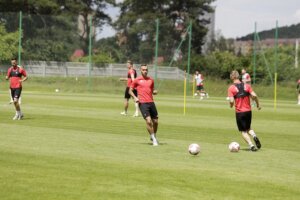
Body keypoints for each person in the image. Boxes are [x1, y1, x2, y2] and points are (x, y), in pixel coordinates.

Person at [227, 70, 261, 151]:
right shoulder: (247, 86)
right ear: (238, 76)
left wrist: (231, 105)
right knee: (248, 127)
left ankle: (251, 145)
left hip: (240, 112)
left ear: (231, 77)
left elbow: (231, 101)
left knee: (243, 131)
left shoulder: (231, 88)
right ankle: (254, 136)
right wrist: (258, 105)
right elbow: (254, 95)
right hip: (248, 111)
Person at [129, 64, 159, 146]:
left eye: (146, 69)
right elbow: (130, 91)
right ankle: (154, 139)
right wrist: (135, 98)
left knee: (155, 122)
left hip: (151, 102)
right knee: (148, 121)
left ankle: (154, 136)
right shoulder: (137, 80)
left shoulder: (151, 80)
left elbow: (152, 90)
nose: (145, 71)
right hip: (142, 103)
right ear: (140, 70)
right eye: (143, 70)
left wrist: (154, 92)